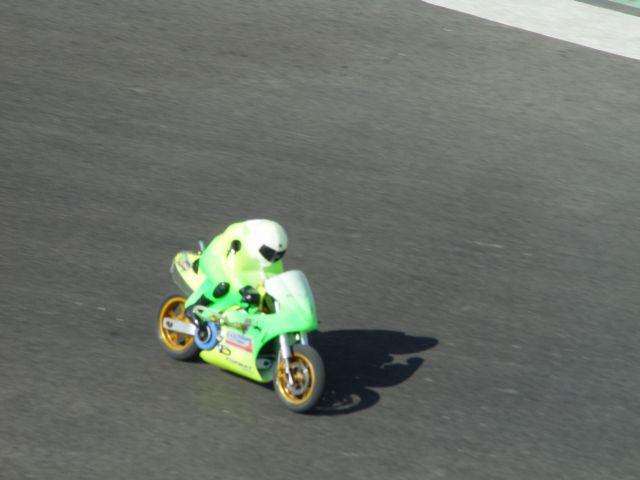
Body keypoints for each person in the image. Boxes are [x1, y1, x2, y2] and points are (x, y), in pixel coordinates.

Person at [185, 219, 288, 320]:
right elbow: (232, 273)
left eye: (278, 255)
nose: (273, 258)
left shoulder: (272, 252)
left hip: (247, 262)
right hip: (217, 256)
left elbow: (276, 280)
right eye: (269, 253)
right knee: (223, 285)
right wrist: (244, 289)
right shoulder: (240, 244)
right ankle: (194, 308)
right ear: (258, 244)